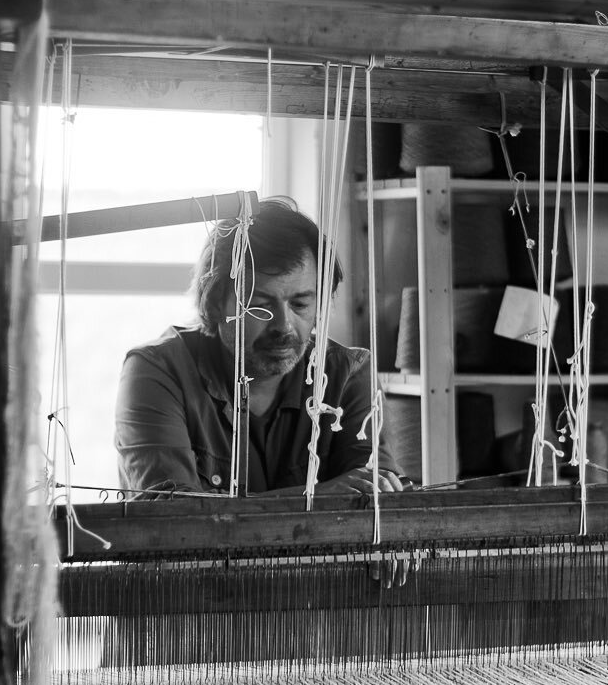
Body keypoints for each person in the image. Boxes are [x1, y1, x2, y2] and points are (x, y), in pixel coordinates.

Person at [114, 198, 407, 498]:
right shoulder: (157, 372)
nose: (284, 325)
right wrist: (314, 498)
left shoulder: (349, 376)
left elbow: (374, 500)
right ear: (215, 302)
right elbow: (173, 519)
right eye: (260, 306)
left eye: (300, 304)